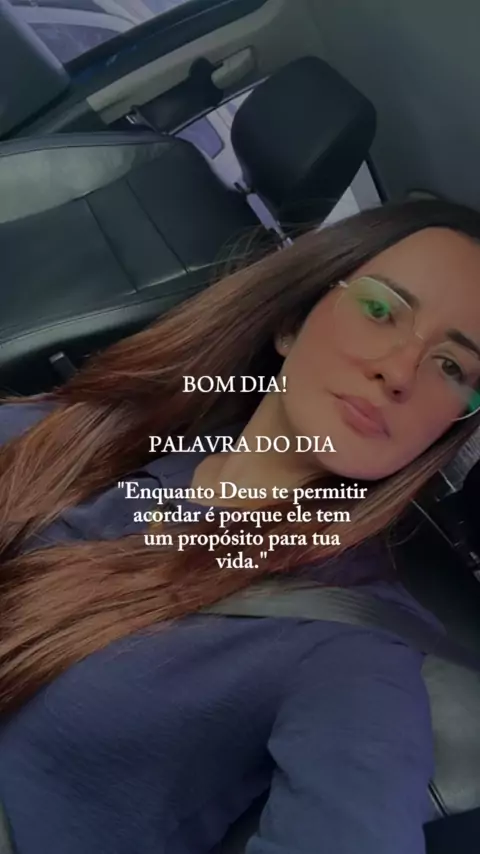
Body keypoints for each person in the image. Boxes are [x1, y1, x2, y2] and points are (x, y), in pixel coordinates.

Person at [0, 199, 480, 854]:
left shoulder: (347, 649)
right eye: (380, 310)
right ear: (292, 321)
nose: (399, 372)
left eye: (451, 367)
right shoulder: (118, 431)